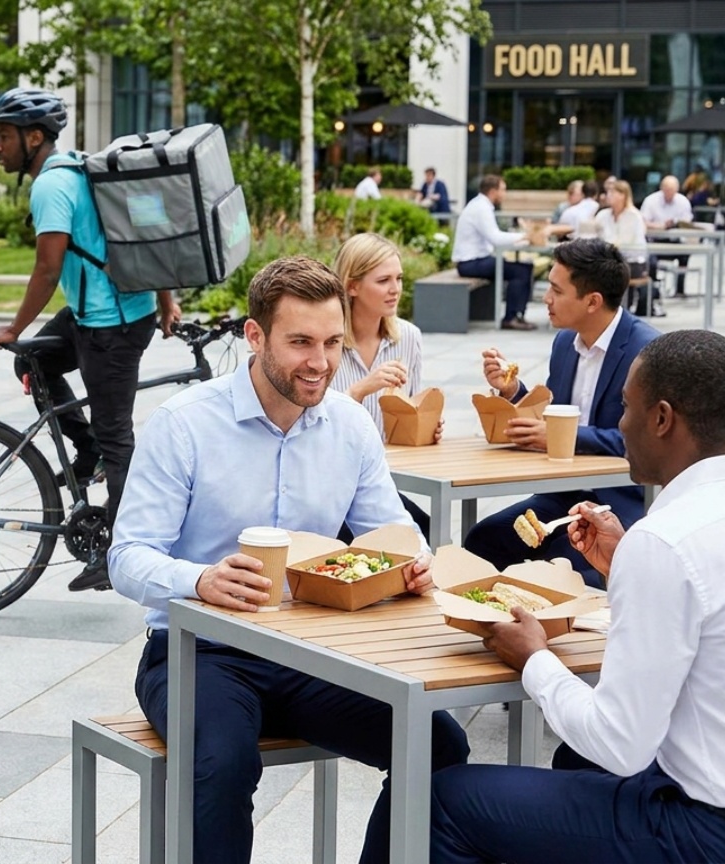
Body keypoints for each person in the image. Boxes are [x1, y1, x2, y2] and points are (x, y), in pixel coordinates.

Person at [109, 256, 469, 864]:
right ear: (255, 336)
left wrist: (416, 565)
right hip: (199, 655)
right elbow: (126, 557)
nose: (320, 362)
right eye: (301, 342)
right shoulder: (184, 424)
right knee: (221, 764)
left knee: (438, 745)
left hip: (313, 655)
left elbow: (397, 535)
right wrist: (201, 579)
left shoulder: (350, 425)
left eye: (332, 342)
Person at [430, 329, 725, 864]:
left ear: (662, 419)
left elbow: (620, 742)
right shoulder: (668, 540)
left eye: (627, 408)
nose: (620, 424)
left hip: (701, 829)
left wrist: (534, 659)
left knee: (442, 799)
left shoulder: (666, 541)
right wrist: (626, 567)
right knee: (574, 762)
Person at [0, 86, 180, 592]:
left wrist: (13, 329)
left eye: (4, 136)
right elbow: (139, 232)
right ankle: (85, 449)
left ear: (34, 137)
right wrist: (166, 299)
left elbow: (47, 268)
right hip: (102, 313)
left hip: (111, 326)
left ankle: (120, 553)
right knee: (33, 362)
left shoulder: (52, 185)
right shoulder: (80, 168)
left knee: (118, 438)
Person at [464, 239, 660, 589]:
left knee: (566, 568)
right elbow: (555, 413)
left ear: (592, 301)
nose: (546, 298)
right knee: (483, 540)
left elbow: (647, 442)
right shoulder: (565, 342)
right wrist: (513, 391)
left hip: (616, 502)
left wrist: (563, 437)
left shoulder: (646, 351)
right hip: (561, 494)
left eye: (556, 290)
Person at [329, 233, 435, 537]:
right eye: (383, 280)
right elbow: (313, 423)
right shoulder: (327, 340)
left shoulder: (408, 337)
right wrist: (361, 389)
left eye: (399, 278)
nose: (395, 289)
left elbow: (404, 418)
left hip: (378, 480)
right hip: (329, 480)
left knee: (429, 532)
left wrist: (424, 426)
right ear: (352, 286)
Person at [452, 174, 535, 331]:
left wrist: (521, 239)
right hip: (470, 263)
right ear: (492, 191)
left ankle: (516, 315)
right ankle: (511, 318)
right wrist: (524, 236)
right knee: (521, 271)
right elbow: (495, 238)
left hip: (475, 260)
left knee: (524, 268)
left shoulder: (480, 205)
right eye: (503, 190)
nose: (504, 194)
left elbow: (494, 238)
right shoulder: (481, 208)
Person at [594, 180, 656, 316]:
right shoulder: (602, 215)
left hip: (632, 261)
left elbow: (632, 245)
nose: (608, 195)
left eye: (612, 192)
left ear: (623, 195)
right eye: (608, 192)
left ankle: (618, 312)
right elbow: (594, 236)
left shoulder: (634, 216)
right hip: (608, 259)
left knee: (614, 272)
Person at [641, 175, 695, 297]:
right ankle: (653, 291)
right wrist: (660, 226)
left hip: (675, 240)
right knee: (651, 260)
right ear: (661, 188)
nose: (669, 193)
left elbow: (687, 221)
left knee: (685, 255)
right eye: (667, 189)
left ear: (677, 189)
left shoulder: (683, 201)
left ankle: (680, 290)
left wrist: (676, 224)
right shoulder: (651, 201)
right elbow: (643, 222)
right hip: (654, 240)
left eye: (672, 190)